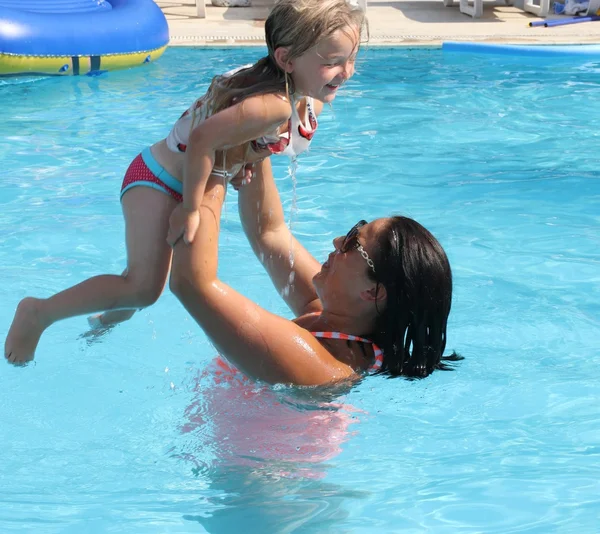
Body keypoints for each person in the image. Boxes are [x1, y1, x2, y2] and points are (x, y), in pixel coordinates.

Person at [4, 0, 366, 364]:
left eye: (352, 58)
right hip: (157, 180)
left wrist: (245, 158)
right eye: (332, 62)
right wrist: (192, 207)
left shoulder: (300, 96)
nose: (346, 71)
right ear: (287, 60)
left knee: (140, 284)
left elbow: (234, 137)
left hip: (182, 177)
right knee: (144, 289)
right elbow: (202, 140)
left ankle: (107, 315)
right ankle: (38, 312)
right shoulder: (272, 105)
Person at [167, 158, 462, 385]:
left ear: (372, 291)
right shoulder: (330, 318)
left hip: (257, 466)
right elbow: (269, 231)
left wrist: (208, 168)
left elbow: (192, 284)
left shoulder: (319, 364)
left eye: (352, 242)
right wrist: (255, 137)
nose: (337, 241)